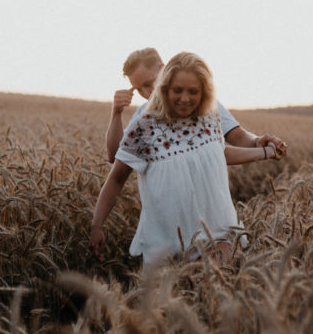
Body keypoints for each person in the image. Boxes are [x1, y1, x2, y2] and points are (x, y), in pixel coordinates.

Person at [90, 52, 284, 266]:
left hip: (217, 233)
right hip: (165, 242)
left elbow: (218, 154)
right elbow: (116, 172)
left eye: (193, 92)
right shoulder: (144, 124)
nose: (185, 98)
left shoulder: (210, 115)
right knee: (168, 298)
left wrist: (263, 148)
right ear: (166, 87)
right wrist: (97, 225)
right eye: (177, 91)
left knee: (212, 293)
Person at [106, 48, 287, 163]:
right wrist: (116, 113)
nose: (146, 94)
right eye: (138, 90)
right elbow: (116, 157)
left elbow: (237, 136)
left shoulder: (202, 104)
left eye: (148, 84)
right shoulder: (143, 116)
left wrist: (257, 142)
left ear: (163, 69)